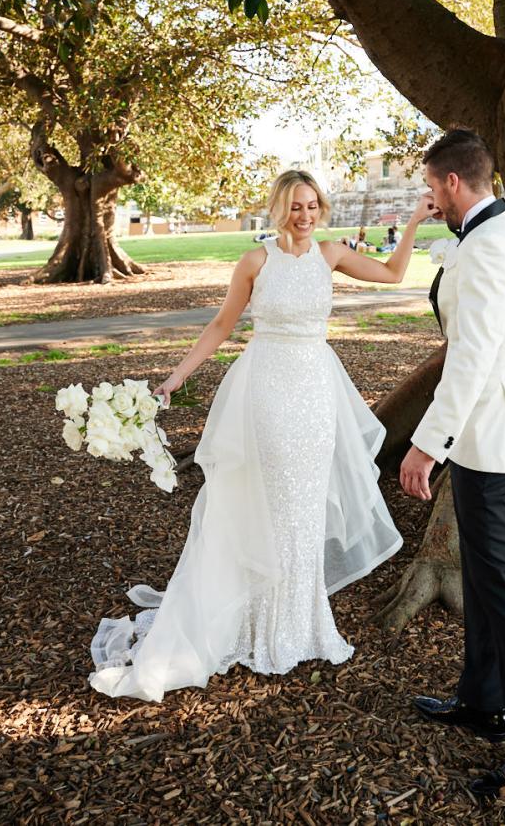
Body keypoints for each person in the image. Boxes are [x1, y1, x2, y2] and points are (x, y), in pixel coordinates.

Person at [88, 169, 435, 702]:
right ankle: (258, 622)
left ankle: (303, 623)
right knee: (274, 503)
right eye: (296, 207)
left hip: (317, 393)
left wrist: (412, 222)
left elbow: (392, 274)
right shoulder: (256, 261)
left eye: (313, 205)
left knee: (305, 507)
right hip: (268, 391)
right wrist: (176, 377)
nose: (306, 214)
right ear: (280, 209)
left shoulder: (332, 254)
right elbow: (222, 326)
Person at [400, 128, 505, 799]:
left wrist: (425, 443)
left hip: (490, 430)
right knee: (480, 566)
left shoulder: (491, 245)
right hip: (488, 428)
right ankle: (485, 701)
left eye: (430, 185)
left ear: (450, 182)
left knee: (501, 582)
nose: (429, 197)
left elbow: (471, 356)